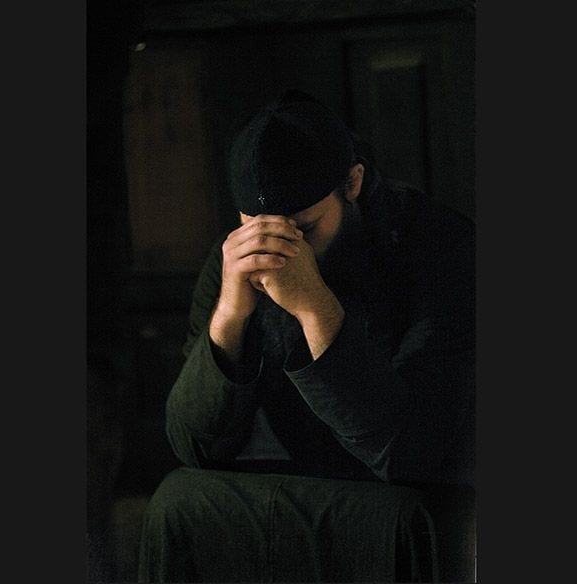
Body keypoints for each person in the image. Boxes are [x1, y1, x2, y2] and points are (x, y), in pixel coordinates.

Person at [138, 89, 475, 582]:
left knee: (405, 516)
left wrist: (316, 308)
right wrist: (231, 312)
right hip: (300, 474)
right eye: (258, 229)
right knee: (179, 501)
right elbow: (194, 446)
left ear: (353, 182)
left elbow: (409, 453)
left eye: (305, 229)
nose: (282, 250)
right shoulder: (236, 256)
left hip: (409, 484)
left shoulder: (441, 246)